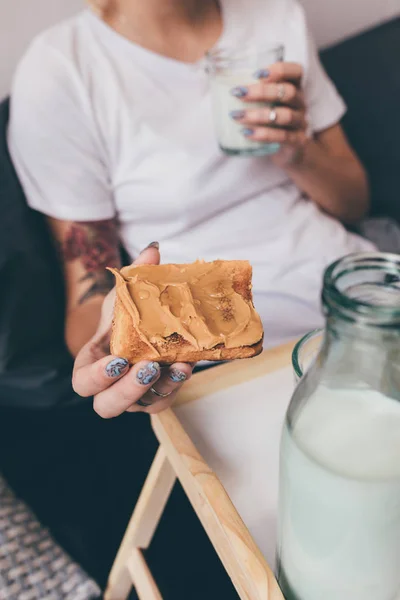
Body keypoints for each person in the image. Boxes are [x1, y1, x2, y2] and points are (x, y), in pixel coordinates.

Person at [8, 0, 374, 419]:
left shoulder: (275, 15)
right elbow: (89, 296)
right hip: (224, 342)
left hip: (353, 294)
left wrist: (298, 154)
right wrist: (127, 341)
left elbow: (353, 204)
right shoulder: (63, 68)